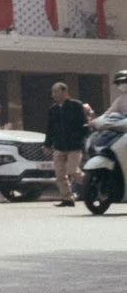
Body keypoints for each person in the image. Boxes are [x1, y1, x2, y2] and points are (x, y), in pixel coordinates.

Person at [45, 80, 91, 208]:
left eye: (56, 91)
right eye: (52, 92)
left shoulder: (75, 105)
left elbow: (84, 125)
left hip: (74, 146)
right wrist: (47, 144)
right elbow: (50, 128)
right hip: (59, 146)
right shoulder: (53, 109)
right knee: (60, 174)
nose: (53, 94)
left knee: (72, 171)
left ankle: (92, 185)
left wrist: (79, 138)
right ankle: (67, 198)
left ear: (64, 92)